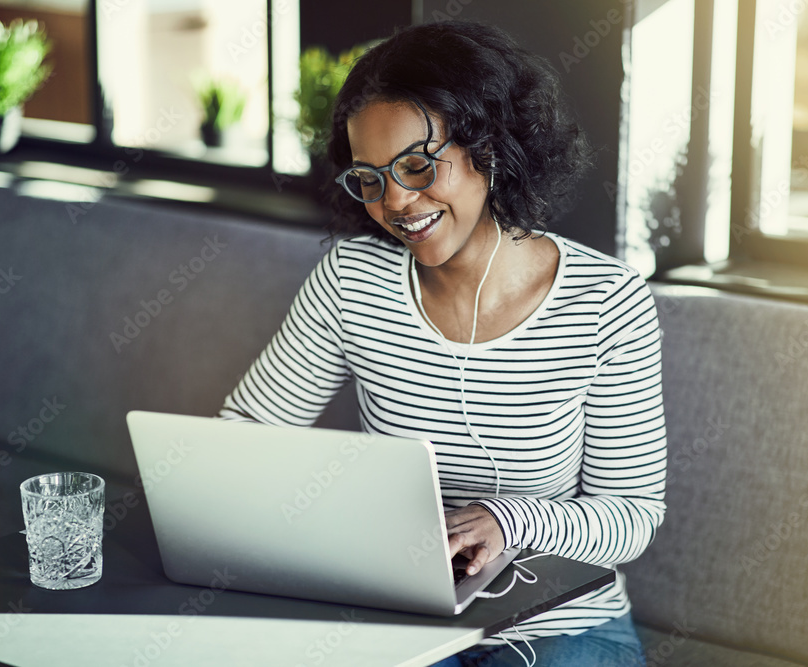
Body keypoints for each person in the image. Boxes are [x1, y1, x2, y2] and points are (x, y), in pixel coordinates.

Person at [220, 20, 665, 667]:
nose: (396, 201)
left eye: (418, 165)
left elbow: (631, 514)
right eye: (369, 179)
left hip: (561, 625)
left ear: (490, 145)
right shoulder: (352, 280)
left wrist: (509, 519)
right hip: (400, 617)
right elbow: (246, 436)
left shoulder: (606, 300)